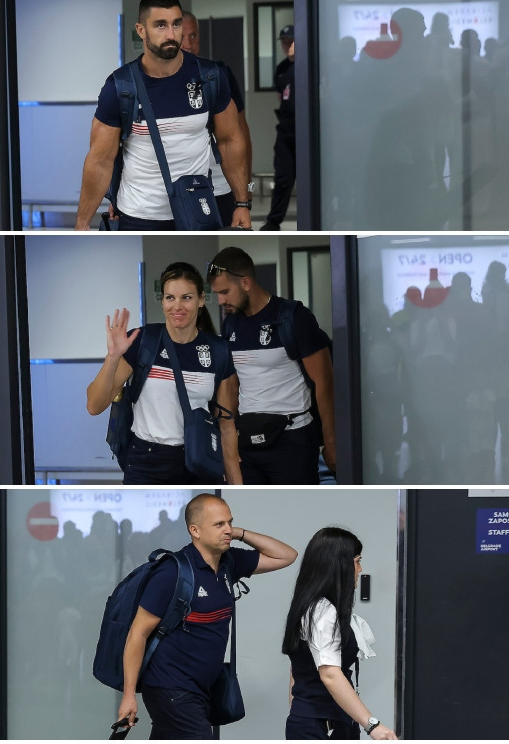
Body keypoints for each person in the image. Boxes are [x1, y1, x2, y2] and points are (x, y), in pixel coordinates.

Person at [116, 494, 298, 738]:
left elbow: (286, 555)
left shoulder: (229, 562)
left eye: (230, 522)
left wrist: (239, 533)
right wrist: (128, 695)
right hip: (171, 687)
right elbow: (138, 633)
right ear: (195, 531)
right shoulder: (172, 572)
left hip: (203, 689)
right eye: (219, 524)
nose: (228, 529)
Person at [75, 0, 253, 230]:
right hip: (139, 214)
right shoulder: (120, 87)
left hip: (197, 210)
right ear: (141, 30)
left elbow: (230, 141)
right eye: (160, 25)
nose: (171, 34)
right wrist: (82, 223)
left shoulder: (210, 77)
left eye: (176, 24)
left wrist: (242, 202)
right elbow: (100, 161)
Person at [85, 261, 240, 485]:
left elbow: (226, 426)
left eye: (186, 297)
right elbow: (94, 406)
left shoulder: (217, 350)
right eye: (170, 298)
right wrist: (113, 357)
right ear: (162, 301)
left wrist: (237, 486)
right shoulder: (143, 341)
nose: (177, 306)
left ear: (201, 300)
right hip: (147, 463)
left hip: (198, 460)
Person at [207, 247, 336, 484]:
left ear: (246, 282)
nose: (220, 301)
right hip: (247, 441)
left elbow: (325, 382)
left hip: (293, 440)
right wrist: (228, 443)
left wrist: (331, 442)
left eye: (225, 292)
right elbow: (231, 387)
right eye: (217, 294)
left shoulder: (293, 317)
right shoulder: (231, 324)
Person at [282, 528, 398, 740]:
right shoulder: (322, 612)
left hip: (326, 722)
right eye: (357, 561)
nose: (360, 569)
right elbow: (329, 674)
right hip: (321, 726)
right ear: (339, 565)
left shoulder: (313, 606)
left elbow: (296, 669)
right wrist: (373, 725)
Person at [181, 10, 255, 224]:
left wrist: (247, 189)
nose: (188, 44)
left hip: (221, 187)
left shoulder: (218, 76)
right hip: (178, 190)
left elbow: (242, 133)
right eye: (183, 37)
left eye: (193, 36)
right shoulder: (156, 83)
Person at [261, 24, 297, 231]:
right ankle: (274, 221)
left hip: (305, 132)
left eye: (291, 42)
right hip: (286, 130)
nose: (287, 46)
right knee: (283, 177)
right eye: (284, 42)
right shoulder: (281, 69)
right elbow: (280, 97)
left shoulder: (307, 65)